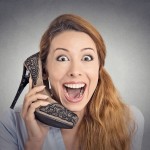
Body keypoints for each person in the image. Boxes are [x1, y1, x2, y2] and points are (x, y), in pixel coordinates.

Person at [0, 14, 144, 150]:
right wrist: (35, 142)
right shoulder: (10, 123)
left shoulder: (130, 121)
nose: (75, 71)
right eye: (62, 58)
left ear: (99, 68)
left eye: (87, 58)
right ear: (43, 70)